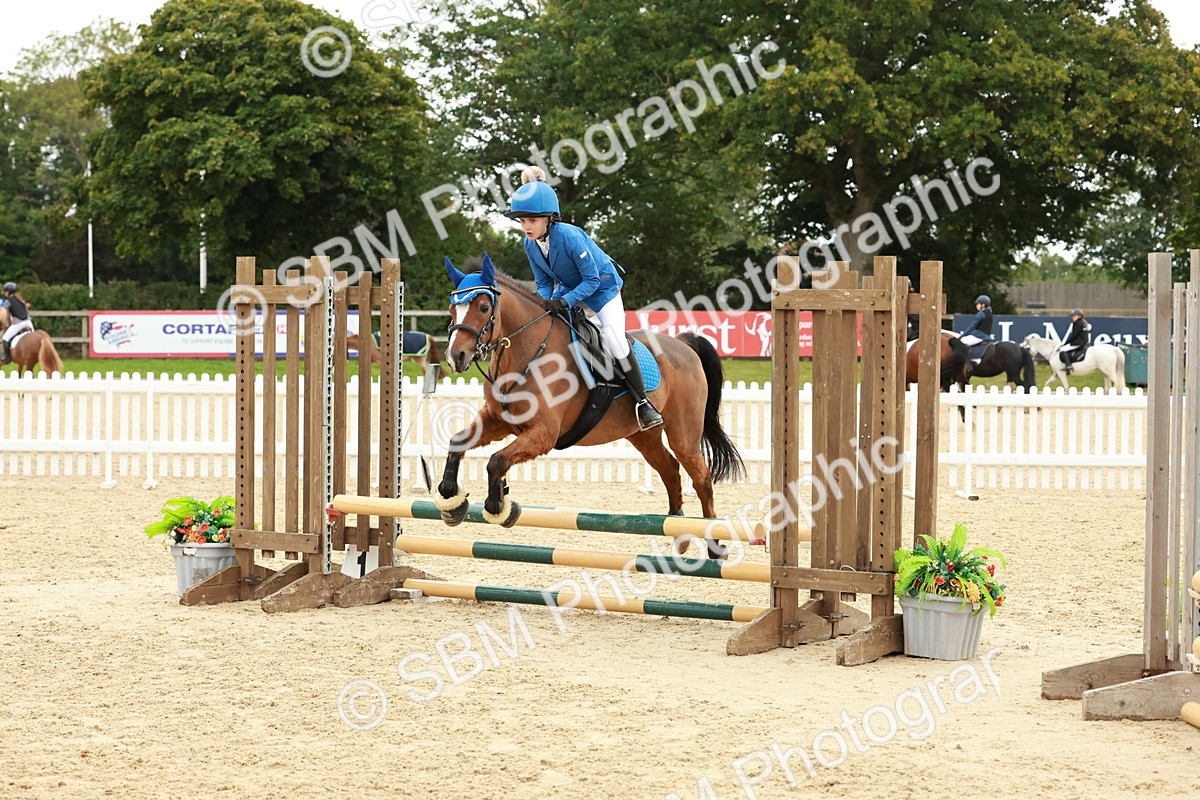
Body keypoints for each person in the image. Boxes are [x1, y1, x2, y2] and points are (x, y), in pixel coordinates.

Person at [505, 166, 662, 431]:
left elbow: (592, 280)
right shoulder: (530, 244)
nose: (527, 227)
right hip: (571, 289)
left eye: (532, 220)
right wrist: (539, 305)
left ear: (549, 218)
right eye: (522, 221)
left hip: (603, 289)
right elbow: (544, 283)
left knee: (614, 340)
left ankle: (644, 403)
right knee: (550, 326)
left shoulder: (569, 236)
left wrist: (564, 301)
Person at [0, 282, 32, 365]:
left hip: (18, 323)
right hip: (28, 322)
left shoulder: (8, 301)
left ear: (8, 292)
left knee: (5, 339)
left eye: (5, 291)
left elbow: (8, 316)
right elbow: (27, 313)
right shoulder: (20, 299)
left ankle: (7, 358)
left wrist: (8, 325)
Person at [1058, 308, 1090, 374]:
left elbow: (1073, 335)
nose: (1073, 317)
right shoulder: (1084, 322)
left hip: (1078, 343)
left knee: (1062, 349)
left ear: (1079, 316)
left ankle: (1068, 366)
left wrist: (1066, 343)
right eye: (1072, 316)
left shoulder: (1078, 323)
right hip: (1083, 342)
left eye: (1074, 316)